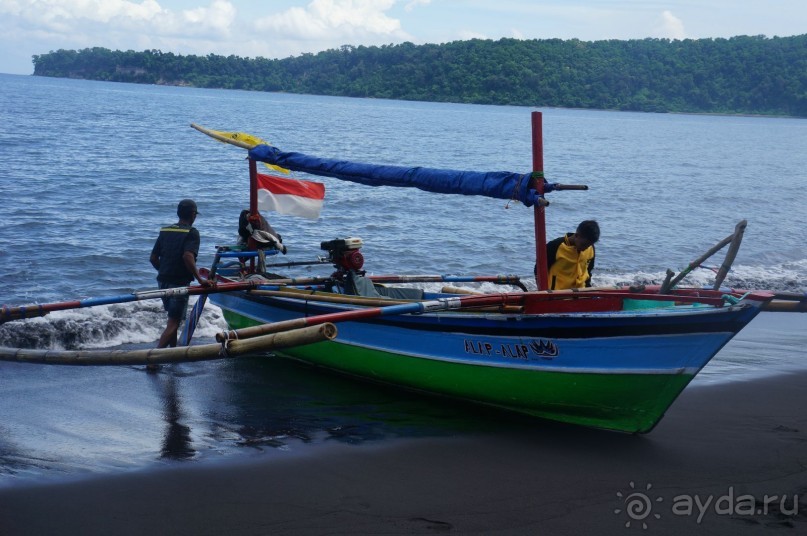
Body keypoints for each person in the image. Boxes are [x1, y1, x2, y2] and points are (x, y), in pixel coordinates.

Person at [150, 199, 212, 358]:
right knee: (173, 323)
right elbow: (187, 256)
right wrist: (200, 279)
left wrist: (164, 270)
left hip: (162, 280)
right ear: (193, 215)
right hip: (178, 283)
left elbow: (153, 258)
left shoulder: (165, 230)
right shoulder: (192, 232)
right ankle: (154, 358)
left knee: (172, 319)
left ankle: (173, 354)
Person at [544, 220, 600, 290]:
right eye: (583, 245)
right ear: (576, 235)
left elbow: (588, 272)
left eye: (589, 245)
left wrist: (589, 291)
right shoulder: (555, 246)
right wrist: (544, 291)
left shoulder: (590, 248)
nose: (585, 248)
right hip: (557, 294)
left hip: (581, 293)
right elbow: (539, 270)